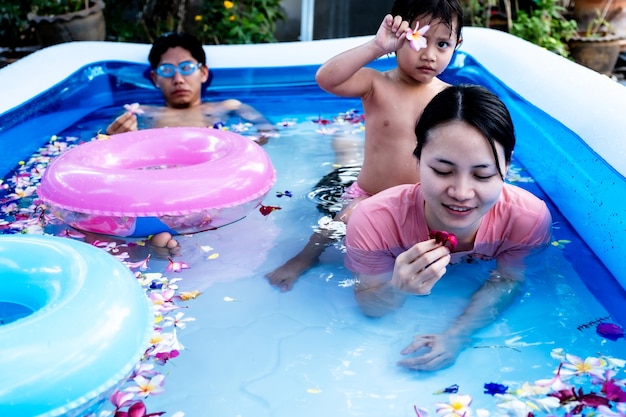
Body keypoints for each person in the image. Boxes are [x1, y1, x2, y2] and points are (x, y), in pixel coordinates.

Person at [345, 85, 553, 371]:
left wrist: (458, 335)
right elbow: (370, 306)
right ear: (417, 159)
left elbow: (508, 280)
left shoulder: (527, 218)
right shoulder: (374, 220)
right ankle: (344, 150)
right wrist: (397, 289)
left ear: (506, 166)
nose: (461, 192)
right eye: (443, 171)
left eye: (483, 174)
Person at [266, 0, 464, 291]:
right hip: (370, 196)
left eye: (443, 44)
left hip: (422, 205)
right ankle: (304, 258)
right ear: (399, 37)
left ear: (457, 44)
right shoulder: (376, 84)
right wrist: (376, 46)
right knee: (342, 220)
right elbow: (326, 79)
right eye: (419, 40)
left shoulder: (451, 99)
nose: (430, 55)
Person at [105, 32, 276, 250]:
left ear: (203, 72)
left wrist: (236, 150)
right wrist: (114, 139)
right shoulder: (140, 113)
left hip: (214, 184)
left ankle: (162, 245)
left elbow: (268, 132)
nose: (178, 79)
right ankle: (160, 244)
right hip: (159, 189)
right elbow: (104, 147)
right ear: (155, 78)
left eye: (186, 68)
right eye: (167, 71)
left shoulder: (228, 107)